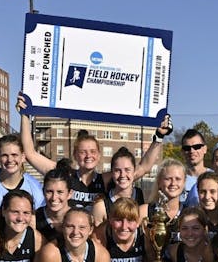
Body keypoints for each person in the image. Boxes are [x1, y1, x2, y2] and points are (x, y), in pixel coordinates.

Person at [16, 96, 170, 210]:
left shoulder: (106, 178)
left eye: (92, 151)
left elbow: (143, 167)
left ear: (99, 155)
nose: (88, 156)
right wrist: (25, 115)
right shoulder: (66, 175)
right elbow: (30, 153)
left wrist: (159, 137)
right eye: (83, 152)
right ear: (75, 155)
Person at [0, 134, 45, 211]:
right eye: (4, 155)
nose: (10, 159)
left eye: (14, 155)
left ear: (23, 157)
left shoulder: (35, 188)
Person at [91, 147, 146, 227]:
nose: (122, 175)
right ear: (112, 173)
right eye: (117, 170)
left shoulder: (139, 194)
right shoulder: (101, 205)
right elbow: (96, 237)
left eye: (127, 170)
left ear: (134, 171)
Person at [35, 168, 72, 245]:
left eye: (60, 192)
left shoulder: (80, 218)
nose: (54, 198)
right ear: (43, 191)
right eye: (49, 192)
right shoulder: (34, 218)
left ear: (69, 194)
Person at [179, 129, 209, 206]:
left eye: (197, 147)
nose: (192, 151)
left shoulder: (215, 178)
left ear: (205, 149)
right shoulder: (176, 180)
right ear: (182, 151)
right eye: (187, 148)